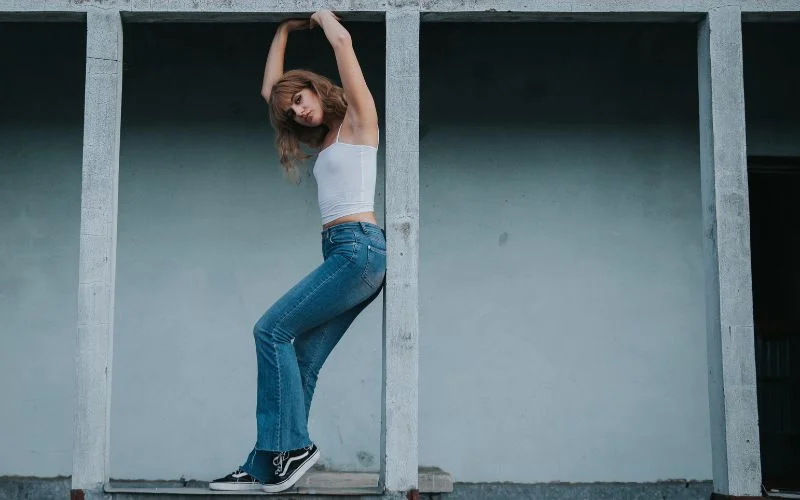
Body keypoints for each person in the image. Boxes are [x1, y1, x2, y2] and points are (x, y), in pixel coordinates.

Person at [209, 9, 386, 494]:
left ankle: (293, 449)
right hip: (343, 254)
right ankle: (267, 463)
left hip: (359, 250)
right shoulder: (324, 137)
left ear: (315, 88)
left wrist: (320, 13)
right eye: (292, 111)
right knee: (301, 359)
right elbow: (271, 92)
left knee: (270, 330)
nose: (298, 111)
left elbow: (344, 44)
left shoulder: (356, 120)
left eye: (301, 99)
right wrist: (282, 31)